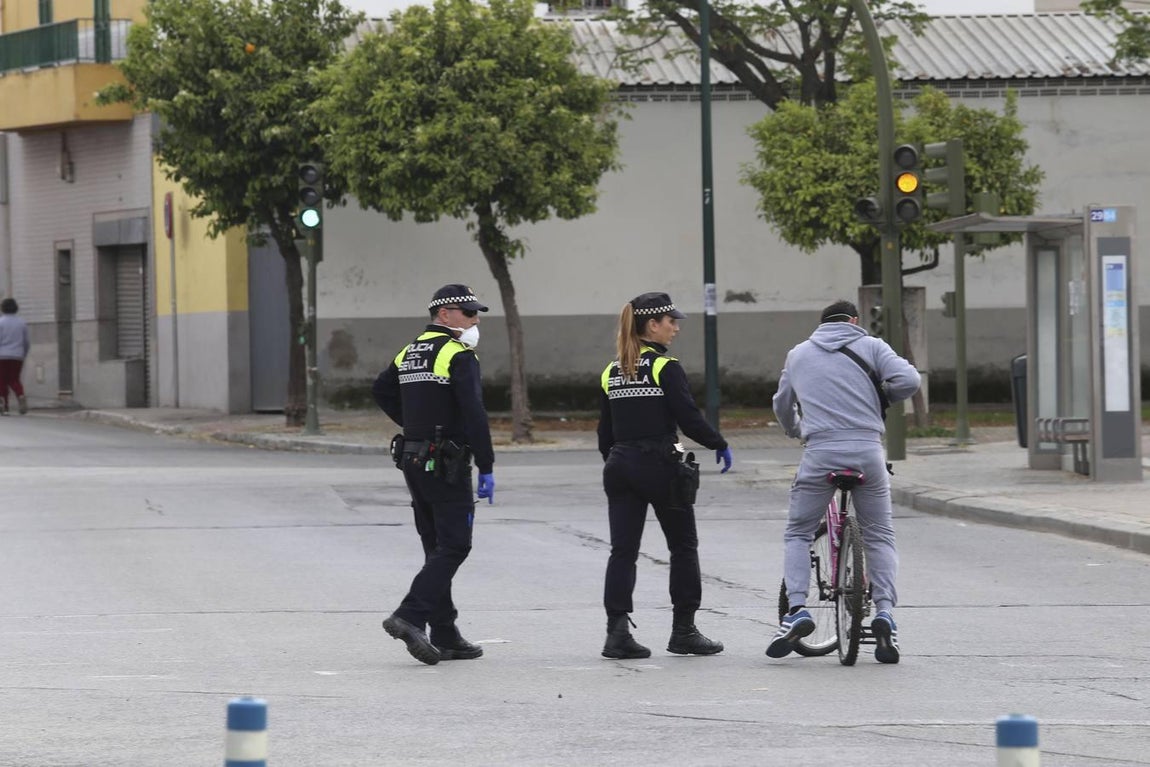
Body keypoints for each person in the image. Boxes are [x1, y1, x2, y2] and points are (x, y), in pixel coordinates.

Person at [768, 299, 920, 664]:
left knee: (799, 533)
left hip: (820, 451)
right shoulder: (873, 346)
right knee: (880, 534)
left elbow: (782, 404)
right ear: (854, 320)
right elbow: (909, 380)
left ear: (821, 325)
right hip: (867, 450)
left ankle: (799, 610)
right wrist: (883, 397)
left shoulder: (798, 354)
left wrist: (798, 430)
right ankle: (884, 614)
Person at [596, 291, 734, 659]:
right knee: (683, 547)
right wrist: (718, 442)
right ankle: (684, 631)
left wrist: (619, 461)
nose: (675, 328)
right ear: (652, 325)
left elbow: (604, 435)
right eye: (671, 321)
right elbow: (688, 417)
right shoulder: (664, 367)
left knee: (622, 552)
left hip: (620, 464)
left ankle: (617, 633)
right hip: (658, 464)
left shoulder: (612, 370)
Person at [372, 284, 496, 666]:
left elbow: (381, 390)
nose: (476, 320)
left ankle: (446, 633)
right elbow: (474, 413)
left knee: (436, 546)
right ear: (445, 315)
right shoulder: (458, 355)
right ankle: (411, 616)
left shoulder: (409, 351)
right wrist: (487, 465)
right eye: (469, 313)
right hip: (446, 462)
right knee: (456, 545)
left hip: (412, 457)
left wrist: (415, 425)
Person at [0, 298, 29, 416]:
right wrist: (23, 353)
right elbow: (26, 341)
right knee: (14, 379)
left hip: (2, 355)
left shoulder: (1, 322)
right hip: (17, 355)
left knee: (1, 380)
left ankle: (4, 404)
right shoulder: (21, 323)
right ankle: (20, 394)